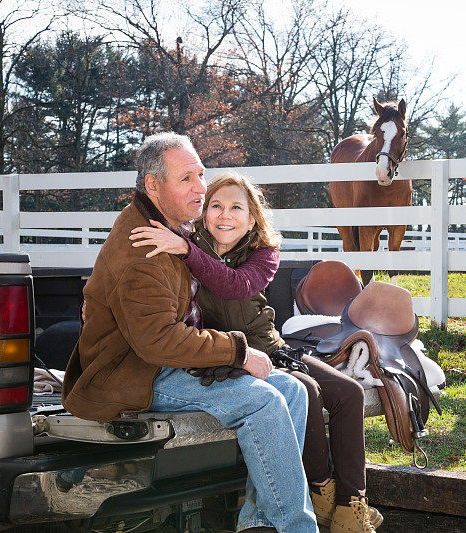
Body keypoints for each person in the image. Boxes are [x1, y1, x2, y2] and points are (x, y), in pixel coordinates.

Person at [62, 132, 317, 533]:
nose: (201, 187)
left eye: (201, 174)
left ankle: (261, 524)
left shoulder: (172, 228)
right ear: (153, 185)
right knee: (264, 401)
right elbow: (157, 341)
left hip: (160, 363)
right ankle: (296, 528)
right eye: (186, 179)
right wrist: (235, 351)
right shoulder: (141, 244)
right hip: (134, 374)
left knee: (293, 391)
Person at [129, 172, 382, 533]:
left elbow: (234, 286)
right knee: (304, 392)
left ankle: (351, 506)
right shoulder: (184, 244)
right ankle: (320, 494)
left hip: (268, 348)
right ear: (203, 213)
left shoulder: (262, 254)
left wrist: (188, 252)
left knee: (349, 392)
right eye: (216, 206)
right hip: (227, 354)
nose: (225, 215)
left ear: (252, 219)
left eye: (236, 208)